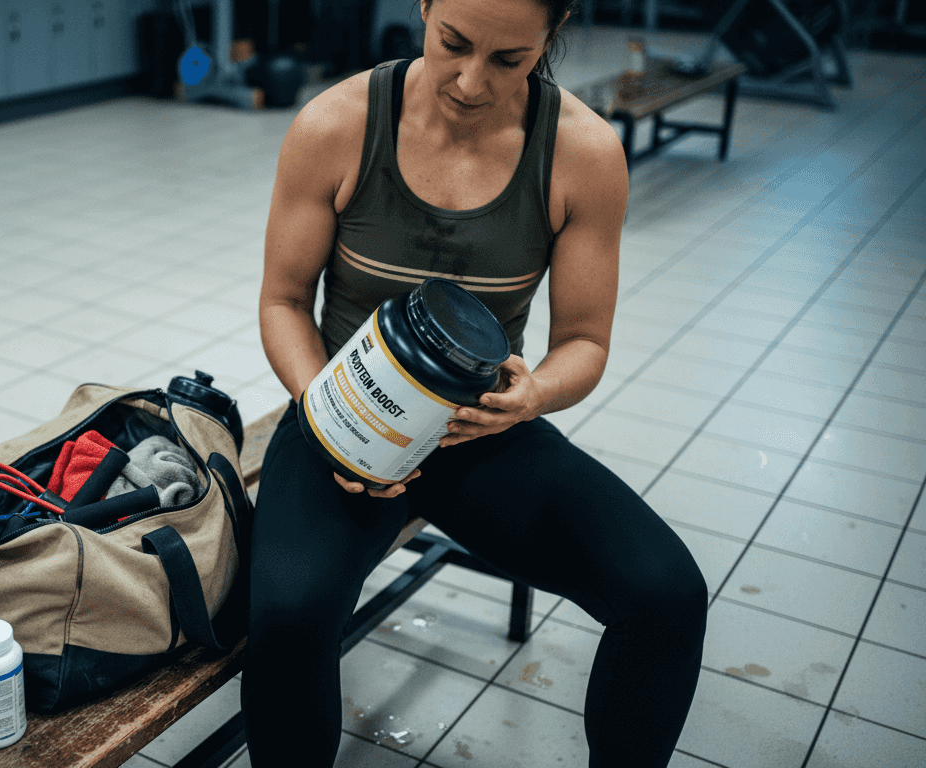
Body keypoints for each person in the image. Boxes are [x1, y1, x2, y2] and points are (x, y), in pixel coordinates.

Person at [248, 0, 708, 765]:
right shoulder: (336, 126)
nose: (469, 82)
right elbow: (284, 301)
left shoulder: (582, 153)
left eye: (508, 60)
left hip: (483, 434)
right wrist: (329, 413)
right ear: (424, 6)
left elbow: (585, 342)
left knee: (667, 596)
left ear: (552, 33)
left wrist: (535, 395)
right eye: (452, 43)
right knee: (288, 618)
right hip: (343, 426)